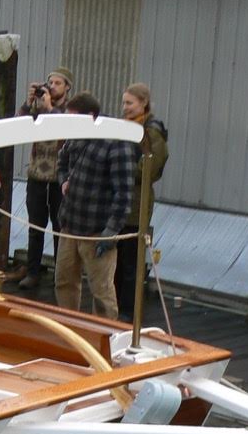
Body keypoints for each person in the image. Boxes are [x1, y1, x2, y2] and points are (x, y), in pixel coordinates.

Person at [55, 91, 134, 320]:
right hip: (70, 224)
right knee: (63, 281)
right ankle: (68, 326)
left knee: (101, 290)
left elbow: (124, 193)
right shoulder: (75, 136)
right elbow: (61, 161)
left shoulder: (116, 143)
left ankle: (105, 335)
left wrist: (110, 233)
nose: (69, 123)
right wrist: (64, 180)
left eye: (73, 118)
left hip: (97, 229)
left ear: (90, 116)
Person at [114, 82, 169, 319]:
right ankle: (116, 305)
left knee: (131, 262)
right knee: (115, 261)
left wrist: (122, 170)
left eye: (129, 103)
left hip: (136, 201)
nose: (124, 107)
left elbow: (153, 165)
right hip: (118, 198)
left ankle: (129, 310)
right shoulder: (124, 127)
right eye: (124, 102)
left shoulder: (151, 131)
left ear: (143, 103)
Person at [16, 66, 73, 289]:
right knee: (35, 227)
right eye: (50, 83)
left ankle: (61, 275)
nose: (52, 87)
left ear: (67, 87)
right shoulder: (38, 107)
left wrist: (49, 108)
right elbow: (17, 124)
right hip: (37, 175)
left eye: (58, 83)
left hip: (60, 179)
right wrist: (28, 102)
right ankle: (33, 272)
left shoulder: (71, 109)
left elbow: (64, 128)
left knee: (60, 228)